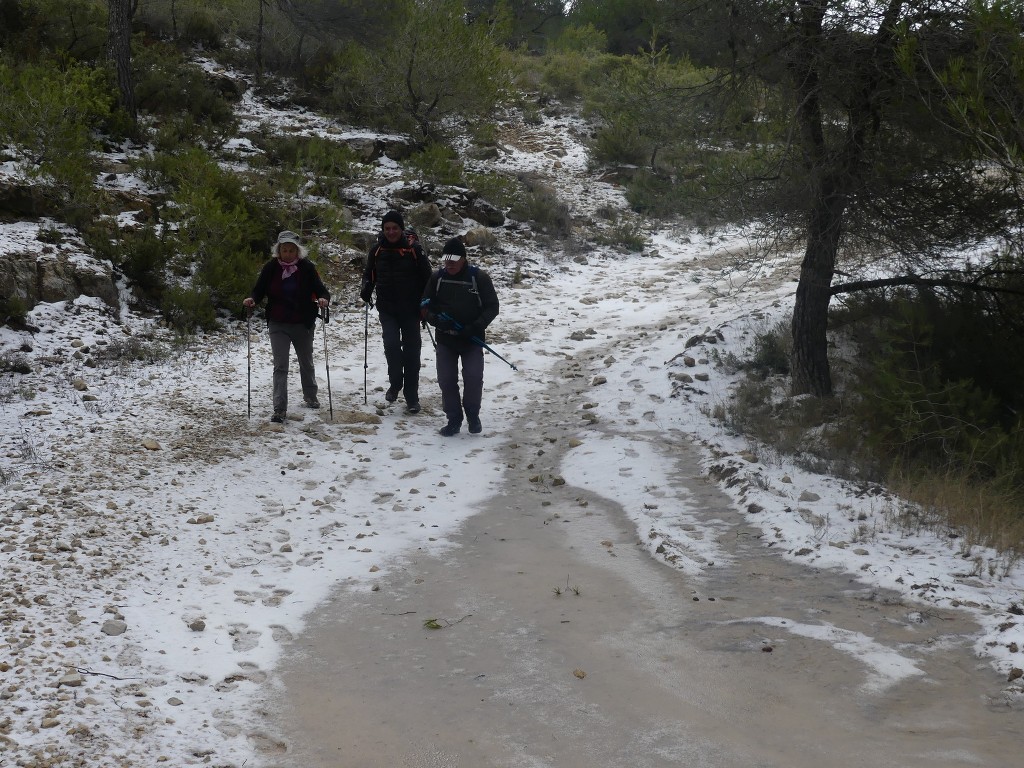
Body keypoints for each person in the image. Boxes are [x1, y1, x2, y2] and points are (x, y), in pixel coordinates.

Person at [243, 230, 329, 423]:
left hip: (302, 322)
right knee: (280, 365)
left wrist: (324, 299)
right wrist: (252, 300)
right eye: (284, 250)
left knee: (306, 361)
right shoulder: (271, 268)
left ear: (298, 252)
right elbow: (259, 290)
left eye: (291, 250)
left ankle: (310, 396)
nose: (288, 254)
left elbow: (321, 289)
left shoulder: (307, 268)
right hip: (278, 322)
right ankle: (279, 408)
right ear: (278, 251)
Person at [421, 237, 500, 436]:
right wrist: (436, 320)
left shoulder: (479, 278)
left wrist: (476, 326)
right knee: (446, 379)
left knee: (473, 377)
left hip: (471, 340)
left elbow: (493, 306)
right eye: (447, 260)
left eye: (454, 260)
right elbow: (424, 305)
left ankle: (473, 415)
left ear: (464, 259)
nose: (450, 264)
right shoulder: (437, 278)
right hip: (446, 339)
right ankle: (454, 419)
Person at [360, 210, 432, 413]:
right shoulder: (376, 250)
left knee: (412, 353)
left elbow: (428, 279)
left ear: (401, 229)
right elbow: (369, 274)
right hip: (387, 308)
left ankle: (412, 397)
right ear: (383, 230)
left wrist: (426, 304)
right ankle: (395, 383)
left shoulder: (414, 250)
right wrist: (366, 288)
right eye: (387, 228)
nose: (391, 232)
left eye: (395, 228)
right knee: (391, 347)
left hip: (411, 310)